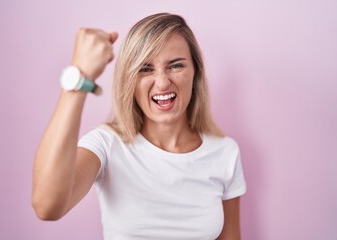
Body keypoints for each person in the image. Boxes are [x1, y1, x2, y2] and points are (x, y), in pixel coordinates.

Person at [32, 13, 247, 240]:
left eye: (175, 66)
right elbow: (47, 206)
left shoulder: (225, 151)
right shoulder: (106, 144)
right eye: (145, 69)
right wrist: (80, 77)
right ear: (129, 79)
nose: (162, 82)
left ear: (196, 72)